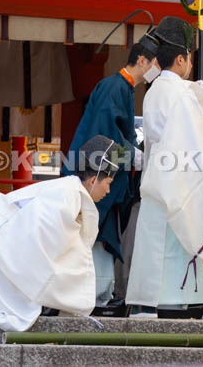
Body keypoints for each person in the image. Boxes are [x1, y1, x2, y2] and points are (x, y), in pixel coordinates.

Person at [0, 135, 120, 331]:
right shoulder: (67, 196)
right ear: (92, 180)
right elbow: (40, 245)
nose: (108, 191)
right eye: (108, 183)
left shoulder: (68, 190)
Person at [126, 16, 203, 313]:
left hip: (156, 177)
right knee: (175, 246)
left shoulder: (154, 90)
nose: (191, 63)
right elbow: (196, 142)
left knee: (157, 245)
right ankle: (175, 303)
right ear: (181, 59)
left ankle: (154, 303)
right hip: (178, 182)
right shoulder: (181, 93)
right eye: (190, 57)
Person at [62, 41, 155, 308]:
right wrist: (130, 154)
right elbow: (102, 135)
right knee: (95, 233)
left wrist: (133, 150)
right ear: (142, 61)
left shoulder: (122, 88)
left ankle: (101, 291)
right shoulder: (114, 87)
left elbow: (119, 136)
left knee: (101, 235)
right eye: (155, 64)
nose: (155, 71)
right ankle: (92, 294)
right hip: (95, 178)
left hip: (106, 178)